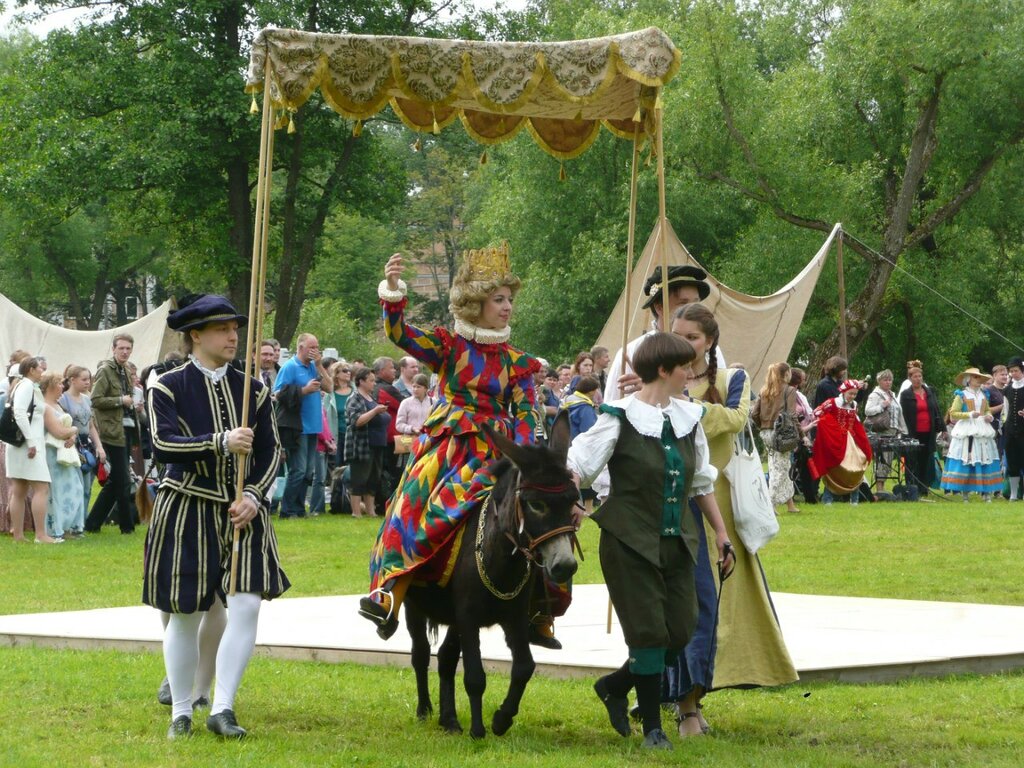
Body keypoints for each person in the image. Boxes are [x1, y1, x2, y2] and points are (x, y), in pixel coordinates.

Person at [358, 244, 543, 642]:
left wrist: (527, 458)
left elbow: (527, 413)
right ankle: (390, 592)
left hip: (497, 451)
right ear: (476, 303)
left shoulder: (518, 361)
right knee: (408, 504)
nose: (507, 306)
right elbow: (399, 334)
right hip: (448, 445)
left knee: (544, 517)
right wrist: (393, 291)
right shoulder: (449, 345)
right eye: (498, 299)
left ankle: (539, 610)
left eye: (510, 299)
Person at [568, 332, 734, 750]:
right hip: (627, 541)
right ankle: (653, 731)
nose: (690, 376)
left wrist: (720, 533)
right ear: (663, 370)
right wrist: (572, 496)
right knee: (647, 632)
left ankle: (614, 685)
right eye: (684, 369)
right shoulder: (618, 416)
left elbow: (700, 483)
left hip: (677, 540)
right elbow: (578, 464)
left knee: (679, 629)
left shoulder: (689, 418)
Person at [143, 294, 288, 739]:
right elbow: (162, 445)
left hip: (244, 513)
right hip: (187, 506)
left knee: (246, 604)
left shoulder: (255, 389)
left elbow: (272, 451)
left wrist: (253, 495)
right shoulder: (166, 386)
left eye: (235, 328)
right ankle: (181, 711)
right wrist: (220, 441)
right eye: (223, 329)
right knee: (184, 612)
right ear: (196, 336)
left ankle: (222, 707)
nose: (233, 336)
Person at [665, 303, 797, 736]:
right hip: (671, 502)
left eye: (693, 338)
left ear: (710, 341)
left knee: (720, 604)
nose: (684, 344)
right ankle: (682, 704)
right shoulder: (658, 375)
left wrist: (687, 407)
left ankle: (696, 700)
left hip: (718, 502)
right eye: (677, 334)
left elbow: (738, 418)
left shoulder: (730, 379)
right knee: (683, 604)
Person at [603, 265, 725, 403]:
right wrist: (646, 394)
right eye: (683, 303)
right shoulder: (631, 352)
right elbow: (612, 408)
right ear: (659, 307)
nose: (692, 310)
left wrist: (657, 388)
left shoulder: (708, 348)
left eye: (695, 303)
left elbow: (723, 406)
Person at [273, 333, 330, 519]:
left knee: (309, 472)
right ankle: (287, 510)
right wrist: (304, 390)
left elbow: (330, 388)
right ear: (300, 348)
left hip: (314, 426)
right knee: (298, 470)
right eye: (311, 347)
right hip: (298, 426)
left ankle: (298, 509)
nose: (315, 351)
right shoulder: (290, 367)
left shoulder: (314, 367)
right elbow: (278, 393)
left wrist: (320, 364)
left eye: (317, 347)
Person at [85, 334, 137, 535]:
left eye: (128, 348)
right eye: (121, 348)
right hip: (110, 431)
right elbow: (95, 400)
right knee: (122, 479)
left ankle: (93, 523)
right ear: (113, 349)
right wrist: (119, 401)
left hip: (124, 428)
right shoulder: (105, 370)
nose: (125, 352)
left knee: (117, 478)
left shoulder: (125, 369)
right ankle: (127, 526)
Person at [6, 357, 60, 543]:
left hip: (19, 445)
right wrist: (30, 442)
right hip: (28, 445)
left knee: (19, 489)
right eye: (40, 368)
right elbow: (19, 413)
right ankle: (40, 535)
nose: (42, 372)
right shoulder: (27, 386)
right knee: (42, 488)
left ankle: (19, 536)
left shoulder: (22, 385)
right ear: (30, 369)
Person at [940, 367, 1001, 501]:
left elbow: (986, 411)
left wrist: (988, 416)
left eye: (979, 377)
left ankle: (986, 493)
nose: (978, 380)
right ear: (968, 380)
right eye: (975, 377)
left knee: (985, 457)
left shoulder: (984, 394)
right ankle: (965, 493)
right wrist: (969, 414)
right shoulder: (961, 395)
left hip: (982, 428)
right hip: (967, 429)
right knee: (967, 459)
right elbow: (953, 413)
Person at [810, 380, 873, 504]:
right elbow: (817, 412)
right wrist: (830, 425)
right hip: (836, 441)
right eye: (850, 394)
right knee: (835, 468)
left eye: (855, 394)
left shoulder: (853, 404)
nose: (852, 397)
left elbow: (854, 419)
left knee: (856, 467)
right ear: (843, 392)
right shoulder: (833, 402)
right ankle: (828, 499)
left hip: (851, 440)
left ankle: (854, 500)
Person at [751, 362, 800, 514]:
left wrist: (763, 426)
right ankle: (770, 503)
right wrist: (802, 434)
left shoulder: (764, 390)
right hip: (781, 433)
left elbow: (754, 414)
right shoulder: (789, 390)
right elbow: (791, 414)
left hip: (766, 432)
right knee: (781, 469)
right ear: (786, 374)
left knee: (778, 467)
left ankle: (790, 504)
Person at [59, 366, 106, 523]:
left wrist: (99, 446)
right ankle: (72, 521)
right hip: (72, 444)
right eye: (84, 379)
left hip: (87, 445)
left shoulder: (86, 399)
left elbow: (91, 425)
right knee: (75, 485)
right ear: (72, 380)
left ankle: (83, 520)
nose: (88, 383)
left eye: (89, 379)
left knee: (87, 487)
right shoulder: (63, 399)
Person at [40, 372, 82, 540]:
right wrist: (74, 430)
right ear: (50, 386)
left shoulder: (58, 405)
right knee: (56, 491)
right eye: (59, 384)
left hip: (65, 452)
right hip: (52, 453)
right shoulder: (45, 406)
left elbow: (66, 428)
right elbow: (57, 431)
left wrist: (72, 436)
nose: (62, 387)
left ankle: (69, 524)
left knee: (74, 488)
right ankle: (55, 527)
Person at [344, 367, 390, 517]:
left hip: (378, 444)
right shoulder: (355, 398)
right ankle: (356, 512)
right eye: (371, 380)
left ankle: (371, 511)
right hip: (362, 445)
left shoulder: (372, 398)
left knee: (373, 478)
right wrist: (375, 411)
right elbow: (356, 421)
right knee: (359, 478)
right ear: (361, 381)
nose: (374, 383)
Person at [899, 365, 944, 496]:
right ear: (910, 378)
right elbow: (903, 415)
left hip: (928, 432)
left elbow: (936, 410)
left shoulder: (929, 392)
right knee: (912, 460)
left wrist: (942, 428)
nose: (918, 379)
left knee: (926, 460)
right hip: (913, 432)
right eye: (915, 377)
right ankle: (912, 487)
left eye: (920, 376)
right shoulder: (906, 394)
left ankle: (924, 487)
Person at [864, 369, 908, 493]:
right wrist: (882, 406)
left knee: (888, 460)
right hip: (881, 432)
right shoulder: (875, 395)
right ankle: (879, 488)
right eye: (885, 380)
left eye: (890, 380)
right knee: (883, 460)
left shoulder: (892, 395)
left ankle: (882, 487)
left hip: (893, 432)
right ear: (879, 381)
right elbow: (867, 411)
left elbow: (898, 414)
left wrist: (902, 429)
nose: (888, 382)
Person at [1002, 358, 1024, 500]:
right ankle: (1014, 494)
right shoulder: (1007, 389)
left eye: (1016, 370)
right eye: (1011, 371)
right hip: (1011, 430)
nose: (1013, 373)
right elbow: (1006, 410)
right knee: (1012, 462)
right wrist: (1004, 425)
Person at [327, 362, 353, 467]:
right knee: (337, 468)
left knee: (351, 468)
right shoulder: (330, 394)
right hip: (337, 436)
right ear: (336, 374)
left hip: (352, 436)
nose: (348, 373)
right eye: (344, 371)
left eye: (349, 370)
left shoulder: (355, 392)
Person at [396, 373, 433, 437]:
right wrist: (412, 428)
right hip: (411, 439)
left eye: (418, 387)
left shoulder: (433, 402)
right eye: (414, 386)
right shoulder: (405, 403)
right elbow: (399, 425)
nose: (415, 389)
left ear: (426, 388)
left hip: (428, 439)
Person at [564, 376, 601, 441]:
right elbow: (588, 431)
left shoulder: (566, 400)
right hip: (578, 446)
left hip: (564, 443)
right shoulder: (585, 408)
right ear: (591, 391)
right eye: (595, 390)